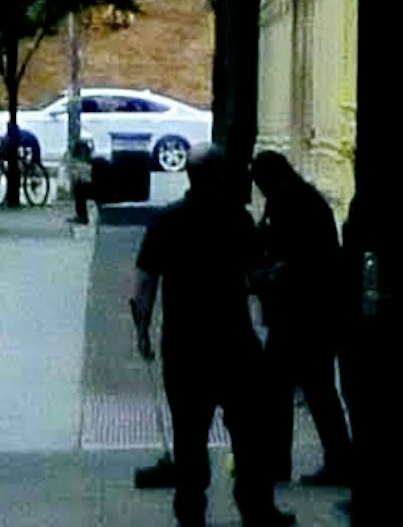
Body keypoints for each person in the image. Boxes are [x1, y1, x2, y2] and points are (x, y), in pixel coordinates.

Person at [131, 143, 285, 527]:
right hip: (233, 343)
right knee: (250, 433)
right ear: (218, 175)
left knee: (188, 434)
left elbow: (145, 282)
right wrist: (275, 276)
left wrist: (143, 331)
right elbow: (253, 276)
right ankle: (256, 507)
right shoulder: (237, 220)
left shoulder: (165, 222)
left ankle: (191, 510)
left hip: (184, 346)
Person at [248, 150, 353, 485]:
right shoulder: (296, 199)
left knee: (293, 388)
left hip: (305, 314)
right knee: (311, 389)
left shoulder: (294, 204)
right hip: (306, 313)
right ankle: (333, 459)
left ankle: (289, 462)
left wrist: (265, 277)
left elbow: (302, 262)